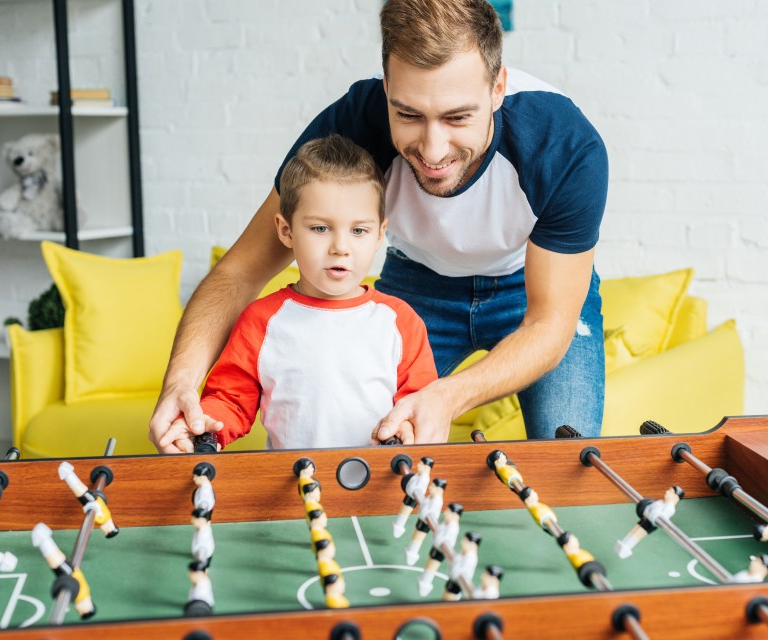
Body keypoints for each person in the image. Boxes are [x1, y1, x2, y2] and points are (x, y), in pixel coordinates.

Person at [149, 0, 608, 452]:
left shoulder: (564, 147)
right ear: (387, 89)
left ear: (497, 88)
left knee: (568, 458)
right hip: (420, 281)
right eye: (408, 114)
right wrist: (181, 384)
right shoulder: (351, 126)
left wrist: (447, 398)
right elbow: (239, 273)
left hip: (530, 289)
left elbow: (549, 323)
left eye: (457, 117)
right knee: (369, 447)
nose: (432, 150)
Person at [157, 134, 438, 452]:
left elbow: (418, 405)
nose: (340, 248)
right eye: (320, 228)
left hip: (379, 493)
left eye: (359, 230)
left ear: (379, 235)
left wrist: (406, 428)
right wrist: (200, 428)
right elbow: (230, 401)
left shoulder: (400, 322)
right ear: (286, 231)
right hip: (290, 489)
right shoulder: (261, 321)